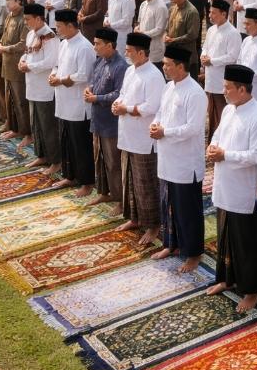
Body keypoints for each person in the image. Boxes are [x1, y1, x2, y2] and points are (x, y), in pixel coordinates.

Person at [206, 64, 257, 312]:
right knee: (225, 238)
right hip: (226, 185)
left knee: (247, 244)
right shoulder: (229, 111)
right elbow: (217, 135)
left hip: (245, 192)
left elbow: (256, 156)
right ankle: (226, 278)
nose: (223, 92)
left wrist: (225, 155)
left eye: (227, 88)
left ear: (242, 89)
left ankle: (252, 290)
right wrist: (213, 148)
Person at [150, 46, 208, 274]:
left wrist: (165, 132)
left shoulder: (194, 92)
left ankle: (193, 253)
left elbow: (193, 129)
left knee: (188, 210)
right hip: (167, 158)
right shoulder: (168, 88)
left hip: (185, 163)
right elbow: (159, 113)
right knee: (168, 205)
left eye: (167, 64)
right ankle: (171, 244)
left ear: (181, 66)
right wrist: (155, 125)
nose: (164, 67)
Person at [112, 32, 166, 243]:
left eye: (129, 51)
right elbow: (123, 93)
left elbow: (152, 107)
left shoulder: (153, 75)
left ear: (141, 52)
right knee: (130, 180)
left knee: (146, 183)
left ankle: (152, 226)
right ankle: (134, 218)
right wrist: (117, 103)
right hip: (127, 134)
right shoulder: (130, 71)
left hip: (144, 139)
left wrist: (126, 108)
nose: (126, 53)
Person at [50, 8, 96, 192]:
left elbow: (85, 74)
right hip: (63, 100)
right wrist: (53, 75)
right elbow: (57, 65)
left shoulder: (84, 46)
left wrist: (60, 80)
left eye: (60, 26)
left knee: (81, 144)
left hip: (78, 104)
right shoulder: (64, 43)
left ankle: (87, 182)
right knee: (67, 141)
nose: (57, 29)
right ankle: (70, 175)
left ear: (70, 26)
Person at [83, 27, 128, 211]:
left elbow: (119, 93)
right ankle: (104, 191)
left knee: (113, 162)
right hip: (97, 118)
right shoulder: (99, 62)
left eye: (98, 44)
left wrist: (97, 98)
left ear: (110, 45)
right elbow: (93, 81)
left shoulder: (121, 66)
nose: (95, 47)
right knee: (99, 158)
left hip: (111, 122)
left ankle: (119, 199)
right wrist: (89, 90)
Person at [19, 3, 59, 174]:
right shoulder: (30, 35)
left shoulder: (50, 37)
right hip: (32, 85)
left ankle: (56, 160)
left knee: (48, 125)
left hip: (44, 87)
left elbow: (50, 62)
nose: (26, 22)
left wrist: (30, 66)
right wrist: (22, 61)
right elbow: (27, 53)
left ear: (38, 18)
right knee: (36, 123)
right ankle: (41, 155)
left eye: (28, 19)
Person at [200, 0, 241, 134]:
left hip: (222, 81)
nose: (210, 15)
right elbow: (205, 47)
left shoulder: (233, 33)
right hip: (210, 78)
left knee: (222, 116)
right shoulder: (211, 30)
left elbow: (232, 57)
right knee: (210, 115)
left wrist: (212, 61)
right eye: (210, 12)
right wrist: (204, 56)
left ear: (224, 14)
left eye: (214, 13)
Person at [0, 0, 30, 142]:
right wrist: (0, 44)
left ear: (18, 1)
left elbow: (23, 44)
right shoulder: (10, 16)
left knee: (21, 100)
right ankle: (14, 126)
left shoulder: (25, 19)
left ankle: (25, 131)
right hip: (6, 63)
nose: (6, 3)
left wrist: (5, 48)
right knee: (10, 98)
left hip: (17, 66)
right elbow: (4, 35)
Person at [162, 0, 201, 78]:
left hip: (187, 60)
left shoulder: (191, 12)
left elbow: (192, 35)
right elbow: (168, 28)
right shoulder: (172, 8)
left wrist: (173, 40)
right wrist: (166, 35)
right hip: (173, 57)